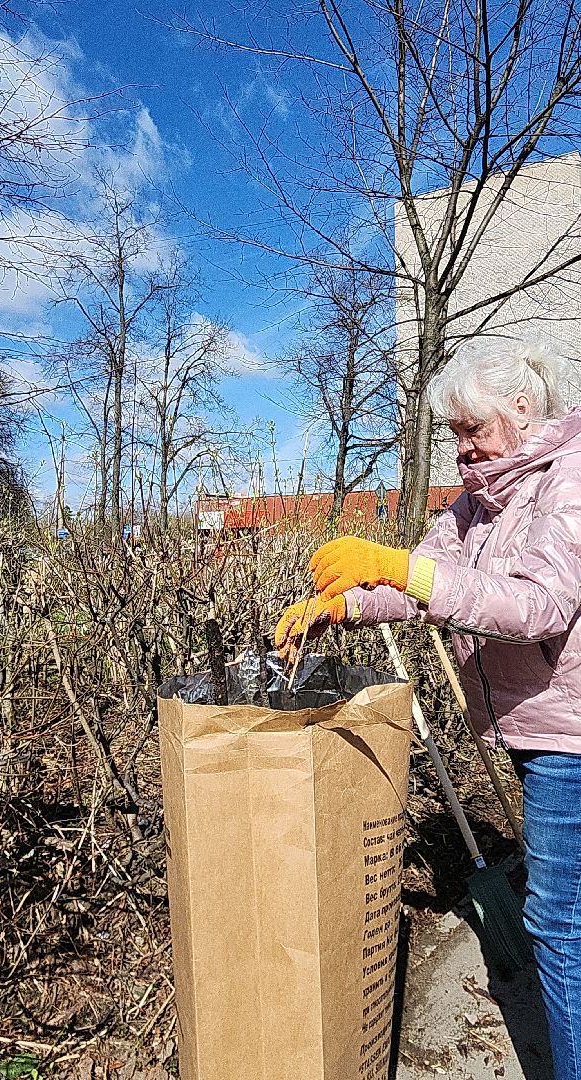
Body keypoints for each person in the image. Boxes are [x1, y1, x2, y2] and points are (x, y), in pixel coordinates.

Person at [275, 338, 581, 1080]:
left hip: (571, 734)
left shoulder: (570, 478)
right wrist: (341, 605)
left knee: (557, 926)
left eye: (470, 430)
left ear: (522, 407)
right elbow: (425, 578)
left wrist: (398, 568)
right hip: (534, 723)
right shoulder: (481, 497)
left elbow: (541, 605)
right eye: (452, 435)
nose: (461, 449)